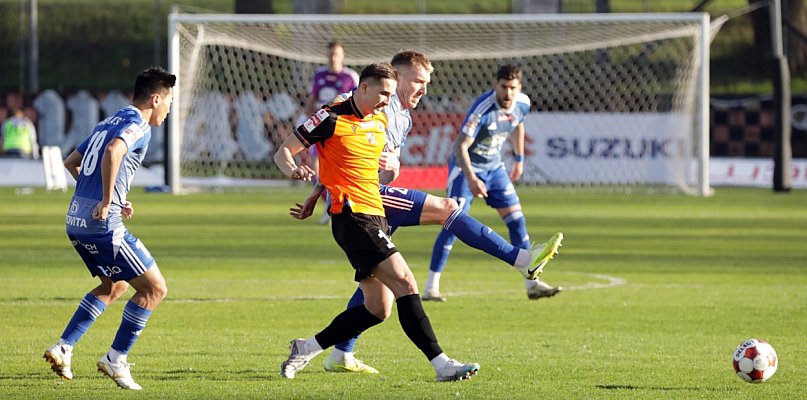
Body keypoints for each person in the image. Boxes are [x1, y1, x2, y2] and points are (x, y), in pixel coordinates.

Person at [289, 51, 563, 375]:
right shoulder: (374, 103)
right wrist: (320, 185)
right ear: (397, 77)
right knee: (448, 209)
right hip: (363, 202)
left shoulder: (402, 116)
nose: (424, 90)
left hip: (370, 201)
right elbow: (334, 131)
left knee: (378, 291)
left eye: (427, 83)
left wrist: (332, 186)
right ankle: (521, 261)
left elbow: (361, 161)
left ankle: (340, 353)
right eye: (418, 81)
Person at [274, 62, 480, 382]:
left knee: (377, 308)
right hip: (351, 216)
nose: (388, 100)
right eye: (383, 93)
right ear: (363, 87)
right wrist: (295, 170)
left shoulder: (381, 117)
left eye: (391, 94)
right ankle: (442, 364)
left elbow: (349, 164)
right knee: (406, 283)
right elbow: (284, 152)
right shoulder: (330, 117)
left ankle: (306, 347)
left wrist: (316, 194)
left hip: (376, 213)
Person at [42, 67, 175, 390]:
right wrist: (106, 199)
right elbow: (114, 151)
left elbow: (73, 161)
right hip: (103, 225)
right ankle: (116, 359)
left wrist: (110, 196)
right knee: (155, 290)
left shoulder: (108, 120)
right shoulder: (138, 125)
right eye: (169, 102)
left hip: (76, 220)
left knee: (114, 285)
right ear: (155, 99)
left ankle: (64, 347)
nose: (169, 110)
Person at [427, 64, 563, 303]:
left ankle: (532, 285)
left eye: (513, 88)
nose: (508, 93)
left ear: (519, 87)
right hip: (465, 168)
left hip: (495, 168)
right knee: (453, 223)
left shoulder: (523, 103)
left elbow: (518, 124)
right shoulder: (483, 109)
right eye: (503, 87)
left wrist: (519, 158)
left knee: (517, 223)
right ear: (495, 86)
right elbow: (460, 146)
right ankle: (431, 287)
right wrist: (471, 177)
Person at [302, 41, 360, 224]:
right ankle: (330, 207)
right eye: (330, 54)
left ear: (342, 56)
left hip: (342, 130)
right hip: (321, 128)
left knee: (342, 172)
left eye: (336, 54)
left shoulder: (350, 77)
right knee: (314, 169)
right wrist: (304, 118)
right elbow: (312, 99)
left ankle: (345, 206)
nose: (333, 58)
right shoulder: (319, 75)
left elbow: (359, 103)